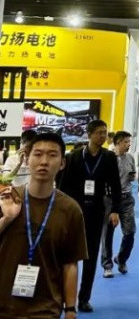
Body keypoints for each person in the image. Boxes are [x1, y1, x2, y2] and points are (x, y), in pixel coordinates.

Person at [0, 133, 88, 319]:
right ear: (27, 159)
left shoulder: (70, 210)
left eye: (52, 155)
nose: (44, 161)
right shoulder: (7, 198)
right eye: (38, 154)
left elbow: (70, 264)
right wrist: (6, 219)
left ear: (62, 163)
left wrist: (70, 309)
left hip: (46, 308)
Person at [58, 120, 121, 313]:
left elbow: (115, 185)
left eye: (105, 133)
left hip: (96, 211)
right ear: (89, 134)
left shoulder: (109, 157)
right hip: (74, 212)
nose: (103, 136)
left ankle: (84, 298)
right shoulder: (74, 157)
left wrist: (115, 210)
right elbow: (63, 186)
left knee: (91, 256)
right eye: (99, 132)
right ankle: (62, 298)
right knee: (67, 255)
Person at [101, 131, 137, 277]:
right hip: (109, 199)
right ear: (117, 143)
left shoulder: (130, 157)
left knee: (130, 232)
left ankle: (121, 259)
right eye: (126, 142)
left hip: (127, 198)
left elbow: (132, 176)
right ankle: (107, 265)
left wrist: (132, 176)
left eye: (129, 142)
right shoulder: (107, 158)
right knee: (108, 233)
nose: (129, 144)